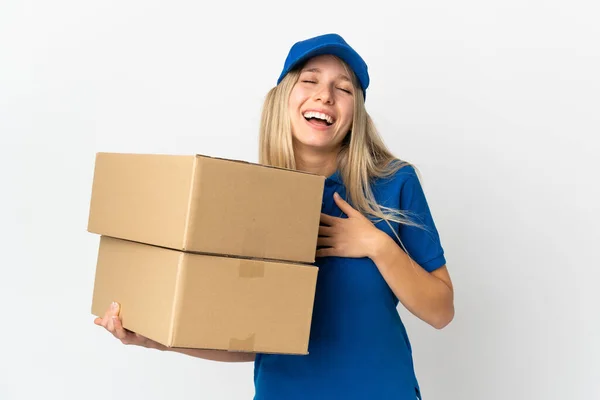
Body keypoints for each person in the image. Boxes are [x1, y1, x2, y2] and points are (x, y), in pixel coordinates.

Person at [94, 33, 454, 400]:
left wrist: (377, 245)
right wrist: (160, 341)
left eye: (343, 88)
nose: (324, 95)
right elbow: (255, 340)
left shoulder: (393, 183)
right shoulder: (255, 200)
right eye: (310, 80)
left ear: (356, 113)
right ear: (283, 98)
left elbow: (441, 311)